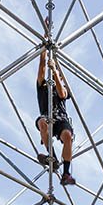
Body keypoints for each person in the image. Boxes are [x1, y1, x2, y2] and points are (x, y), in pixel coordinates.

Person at [35, 49, 75, 186]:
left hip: (61, 118)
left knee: (67, 136)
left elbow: (62, 94)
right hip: (47, 116)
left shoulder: (63, 87)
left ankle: (66, 173)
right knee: (42, 122)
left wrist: (56, 72)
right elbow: (41, 67)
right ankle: (53, 157)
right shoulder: (43, 85)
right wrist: (44, 50)